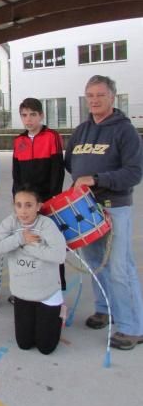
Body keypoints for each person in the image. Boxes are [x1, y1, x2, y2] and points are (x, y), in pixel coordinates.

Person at [65, 75, 143, 351]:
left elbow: (134, 173)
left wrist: (97, 178)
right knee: (95, 262)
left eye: (100, 95)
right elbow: (70, 162)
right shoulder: (82, 130)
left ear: (112, 97)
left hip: (115, 207)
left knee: (120, 267)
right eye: (90, 95)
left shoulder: (125, 131)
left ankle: (133, 327)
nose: (95, 100)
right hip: (87, 208)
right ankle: (104, 308)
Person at [0, 187, 67, 355]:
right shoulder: (11, 222)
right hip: (22, 293)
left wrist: (29, 247)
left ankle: (60, 313)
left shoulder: (46, 225)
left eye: (29, 205)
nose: (23, 211)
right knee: (24, 344)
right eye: (19, 205)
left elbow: (59, 256)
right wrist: (20, 239)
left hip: (47, 293)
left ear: (38, 206)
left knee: (46, 348)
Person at [12, 97, 66, 290]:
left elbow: (57, 172)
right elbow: (16, 175)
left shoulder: (52, 137)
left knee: (50, 245)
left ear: (41, 115)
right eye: (24, 115)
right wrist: (18, 202)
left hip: (46, 203)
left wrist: (50, 202)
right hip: (26, 205)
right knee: (27, 245)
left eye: (33, 115)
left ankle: (56, 289)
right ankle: (29, 287)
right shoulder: (19, 141)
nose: (28, 119)